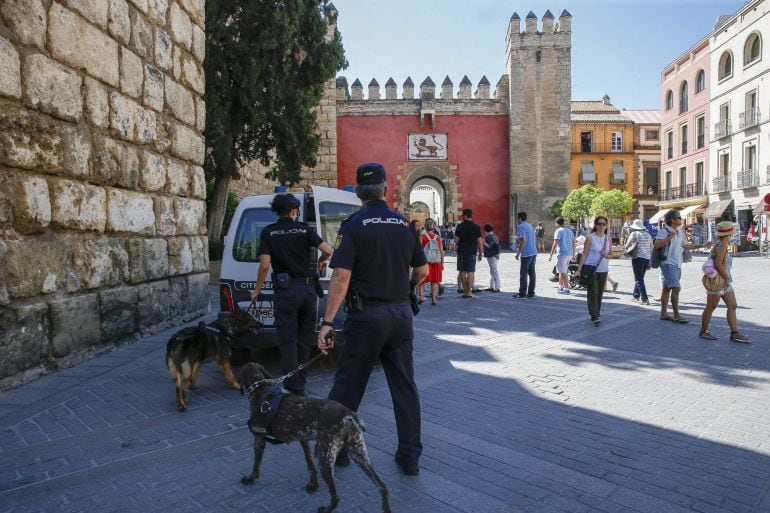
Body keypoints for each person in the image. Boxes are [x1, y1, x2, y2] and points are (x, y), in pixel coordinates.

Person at [317, 162, 428, 476]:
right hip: (401, 315)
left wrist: (327, 321)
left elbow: (340, 276)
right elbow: (421, 271)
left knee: (348, 387)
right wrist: (404, 289)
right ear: (386, 189)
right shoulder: (405, 226)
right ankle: (409, 457)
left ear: (358, 192)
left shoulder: (353, 225)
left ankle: (337, 451)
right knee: (404, 387)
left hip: (366, 318)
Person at [251, 193, 333, 396]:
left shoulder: (269, 233)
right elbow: (328, 250)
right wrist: (322, 259)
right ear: (295, 211)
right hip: (307, 292)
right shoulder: (305, 230)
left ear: (277, 212)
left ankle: (291, 386)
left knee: (287, 340)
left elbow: (264, 266)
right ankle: (301, 383)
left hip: (285, 292)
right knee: (304, 340)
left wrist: (257, 289)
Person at [699, 221, 750, 343]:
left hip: (723, 281)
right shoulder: (722, 245)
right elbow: (718, 264)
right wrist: (727, 278)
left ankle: (735, 333)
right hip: (718, 281)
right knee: (711, 307)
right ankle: (703, 331)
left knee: (732, 305)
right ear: (729, 234)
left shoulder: (722, 244)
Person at [653, 209, 706, 324]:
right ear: (672, 219)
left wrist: (702, 245)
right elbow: (656, 245)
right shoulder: (664, 231)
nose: (681, 219)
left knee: (666, 289)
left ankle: (663, 314)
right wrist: (669, 238)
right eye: (679, 218)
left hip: (677, 263)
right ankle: (677, 315)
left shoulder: (680, 231)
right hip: (667, 263)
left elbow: (685, 246)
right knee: (676, 288)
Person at [577, 216, 610, 326]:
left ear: (606, 226)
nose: (601, 226)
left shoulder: (608, 238)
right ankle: (596, 315)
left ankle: (595, 313)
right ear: (595, 225)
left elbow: (611, 255)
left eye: (603, 224)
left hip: (603, 269)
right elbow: (584, 254)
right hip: (591, 268)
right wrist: (579, 270)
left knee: (600, 293)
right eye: (599, 224)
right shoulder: (590, 238)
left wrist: (607, 255)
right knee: (593, 292)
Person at [454, 208, 483, 298]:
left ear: (466, 216)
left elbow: (456, 240)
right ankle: (469, 292)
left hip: (462, 251)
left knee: (462, 271)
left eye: (463, 215)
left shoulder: (460, 226)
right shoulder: (477, 227)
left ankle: (465, 291)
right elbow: (479, 241)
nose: (462, 217)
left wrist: (458, 243)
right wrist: (481, 253)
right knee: (471, 271)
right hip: (472, 252)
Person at [624, 219, 652, 304]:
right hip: (646, 258)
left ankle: (644, 298)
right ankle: (636, 296)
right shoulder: (648, 235)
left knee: (638, 279)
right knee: (640, 278)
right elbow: (652, 247)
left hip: (637, 258)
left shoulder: (634, 234)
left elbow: (626, 245)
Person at [513, 212, 537, 299]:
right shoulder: (530, 226)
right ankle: (531, 293)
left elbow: (523, 240)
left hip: (526, 253)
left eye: (517, 218)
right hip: (534, 252)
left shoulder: (521, 226)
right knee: (532, 273)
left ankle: (522, 293)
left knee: (523, 274)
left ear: (519, 218)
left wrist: (518, 253)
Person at [421, 218, 444, 305]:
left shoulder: (422, 237)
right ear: (434, 227)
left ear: (425, 227)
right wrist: (442, 263)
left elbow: (419, 251)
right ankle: (434, 299)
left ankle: (421, 297)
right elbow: (441, 251)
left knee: (422, 280)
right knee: (434, 281)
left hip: (425, 261)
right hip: (436, 262)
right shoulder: (438, 238)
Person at [548, 216, 574, 294]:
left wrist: (551, 255)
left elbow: (555, 243)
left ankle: (566, 288)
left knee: (563, 272)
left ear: (557, 223)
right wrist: (573, 254)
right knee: (562, 271)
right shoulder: (569, 231)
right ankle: (560, 286)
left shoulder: (558, 231)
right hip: (569, 254)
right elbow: (573, 243)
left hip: (562, 254)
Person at [482, 223, 501, 292]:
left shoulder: (488, 237)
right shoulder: (495, 236)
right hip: (496, 255)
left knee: (494, 271)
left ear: (485, 230)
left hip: (491, 255)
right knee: (492, 270)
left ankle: (497, 287)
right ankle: (492, 286)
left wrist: (483, 243)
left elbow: (490, 246)